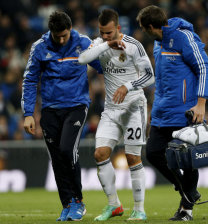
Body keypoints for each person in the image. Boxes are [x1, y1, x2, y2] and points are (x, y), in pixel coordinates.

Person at [21, 11, 102, 221]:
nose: (62, 40)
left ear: (71, 29)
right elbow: (30, 80)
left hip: (76, 105)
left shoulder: (83, 42)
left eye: (65, 35)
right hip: (49, 109)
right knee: (56, 158)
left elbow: (102, 67)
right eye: (57, 36)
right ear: (51, 32)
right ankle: (67, 204)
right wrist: (28, 113)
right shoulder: (40, 47)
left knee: (67, 149)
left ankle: (78, 201)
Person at [78, 9, 154, 221]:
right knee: (100, 154)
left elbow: (149, 76)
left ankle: (139, 209)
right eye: (102, 32)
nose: (105, 36)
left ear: (118, 28)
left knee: (132, 157)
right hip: (111, 110)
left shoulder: (133, 45)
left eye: (109, 33)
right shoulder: (99, 44)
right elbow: (82, 59)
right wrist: (105, 44)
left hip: (133, 107)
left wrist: (127, 86)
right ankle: (114, 205)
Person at [136, 5, 208, 221]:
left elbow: (204, 67)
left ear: (150, 26)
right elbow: (163, 80)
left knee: (186, 158)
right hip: (163, 110)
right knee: (153, 152)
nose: (142, 32)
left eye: (142, 28)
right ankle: (187, 191)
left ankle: (186, 210)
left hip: (185, 110)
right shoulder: (158, 43)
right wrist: (155, 109)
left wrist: (202, 104)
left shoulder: (184, 37)